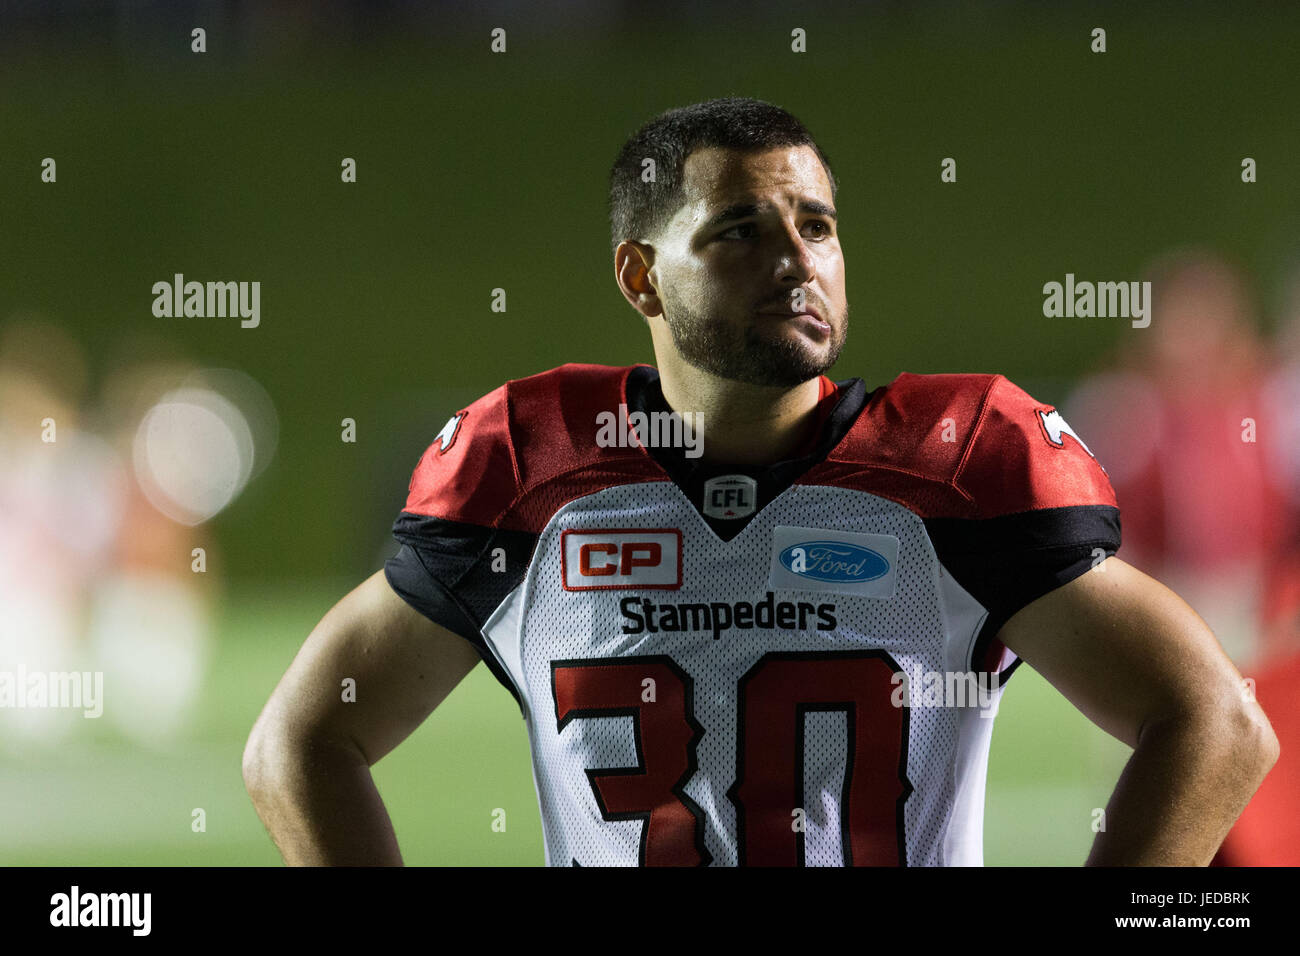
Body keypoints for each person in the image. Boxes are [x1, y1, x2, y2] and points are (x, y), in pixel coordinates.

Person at [242, 97, 1277, 866]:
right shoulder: (533, 472)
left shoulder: (957, 467)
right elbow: (301, 740)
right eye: (740, 229)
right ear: (640, 274)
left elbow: (1216, 724)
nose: (796, 258)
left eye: (816, 225)